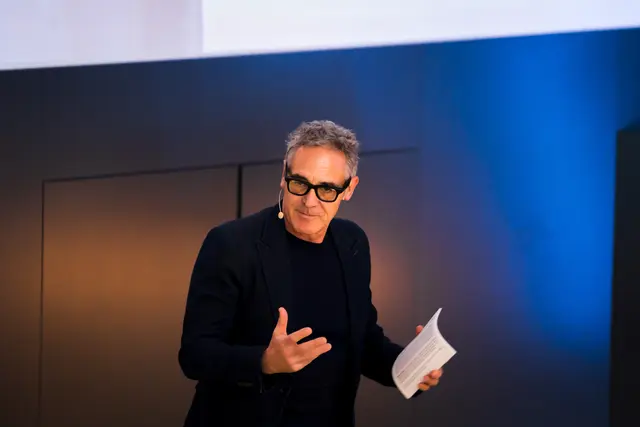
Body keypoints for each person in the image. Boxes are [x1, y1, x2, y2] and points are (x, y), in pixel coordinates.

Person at [178, 120, 443, 427]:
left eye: (327, 189)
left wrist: (410, 367)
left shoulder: (352, 242)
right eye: (300, 183)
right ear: (283, 175)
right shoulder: (231, 244)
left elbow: (363, 340)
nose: (309, 201)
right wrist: (264, 362)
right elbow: (195, 355)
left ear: (349, 189)